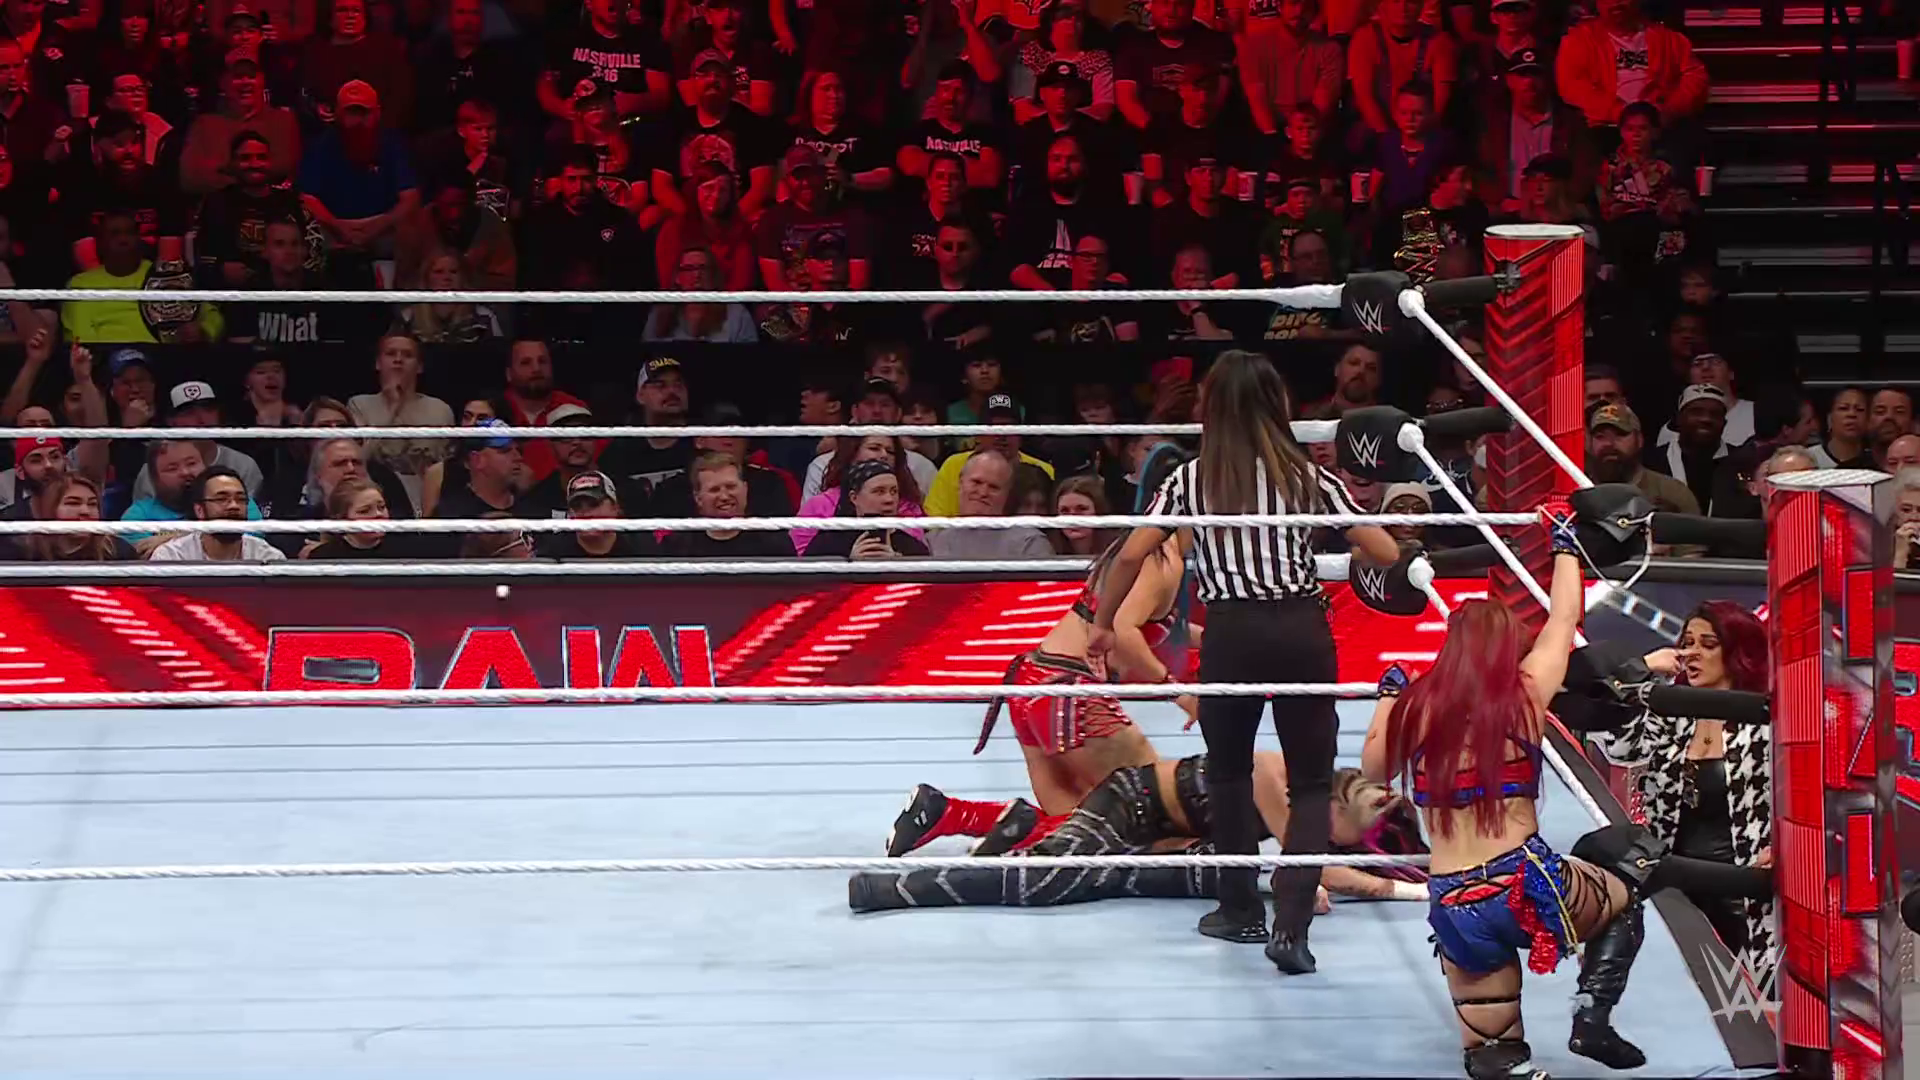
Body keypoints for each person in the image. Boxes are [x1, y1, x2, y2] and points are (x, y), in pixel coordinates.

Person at [1089, 350, 1400, 967]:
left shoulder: (1191, 480)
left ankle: (1238, 910)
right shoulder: (1306, 477)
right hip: (1301, 628)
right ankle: (1292, 928)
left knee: (1229, 773)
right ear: (1275, 405)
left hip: (1233, 632)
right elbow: (1385, 549)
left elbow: (1128, 554)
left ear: (1212, 407)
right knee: (1311, 783)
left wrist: (1102, 625)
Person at [1361, 513, 1647, 1080]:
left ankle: (1508, 1059)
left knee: (1493, 1054)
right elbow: (1563, 619)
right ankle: (1592, 1017)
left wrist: (1390, 695)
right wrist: (1566, 549)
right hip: (1523, 882)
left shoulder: (1417, 709)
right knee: (1629, 887)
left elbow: (1374, 769)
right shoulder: (1523, 695)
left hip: (1453, 899)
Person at [888, 530, 1194, 859]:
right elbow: (1124, 631)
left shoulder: (1135, 549)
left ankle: (950, 813)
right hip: (1070, 693)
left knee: (1075, 824)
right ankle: (1015, 829)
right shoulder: (1160, 559)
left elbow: (1156, 626)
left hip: (1034, 680)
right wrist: (1180, 694)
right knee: (1153, 808)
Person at [850, 761, 1428, 912]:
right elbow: (1309, 865)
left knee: (1227, 872)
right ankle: (892, 890)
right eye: (1354, 833)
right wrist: (1412, 890)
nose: (1340, 844)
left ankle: (1021, 829)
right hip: (1130, 804)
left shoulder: (1308, 792)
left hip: (1162, 829)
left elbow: (1302, 868)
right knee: (1047, 884)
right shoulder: (1282, 781)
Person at [1597, 602, 1775, 1045]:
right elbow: (1620, 748)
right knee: (1693, 1012)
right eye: (1687, 642)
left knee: (1759, 1010)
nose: (1691, 653)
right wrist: (1644, 671)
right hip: (1676, 884)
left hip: (1745, 885)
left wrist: (1785, 848)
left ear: (1737, 652)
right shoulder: (1669, 712)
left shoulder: (1767, 717)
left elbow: (1803, 795)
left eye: (1707, 644)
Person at [800, 460, 930, 560]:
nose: (889, 499)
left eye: (894, 491)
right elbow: (808, 582)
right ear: (854, 497)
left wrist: (898, 564)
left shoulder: (914, 548)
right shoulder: (827, 543)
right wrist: (849, 564)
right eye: (879, 491)